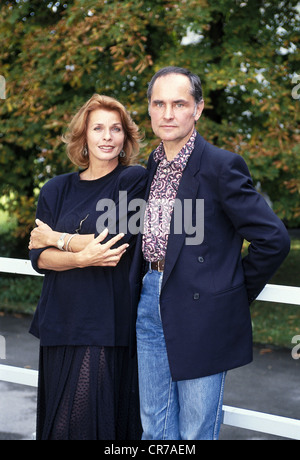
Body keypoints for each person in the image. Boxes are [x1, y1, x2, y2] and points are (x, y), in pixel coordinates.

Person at [131, 66, 290, 440]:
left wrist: (230, 294)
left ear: (197, 109)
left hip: (202, 311)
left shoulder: (221, 166)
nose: (168, 113)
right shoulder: (151, 165)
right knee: (155, 425)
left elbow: (273, 239)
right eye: (159, 103)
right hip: (149, 300)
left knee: (196, 429)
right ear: (150, 109)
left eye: (179, 103)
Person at [28, 94, 148, 440]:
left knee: (82, 423)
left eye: (115, 129)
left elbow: (115, 243)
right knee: (58, 423)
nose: (107, 137)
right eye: (98, 128)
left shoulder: (132, 180)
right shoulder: (56, 188)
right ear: (84, 136)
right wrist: (79, 255)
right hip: (60, 319)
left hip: (104, 321)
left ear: (126, 138)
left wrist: (56, 237)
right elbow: (39, 257)